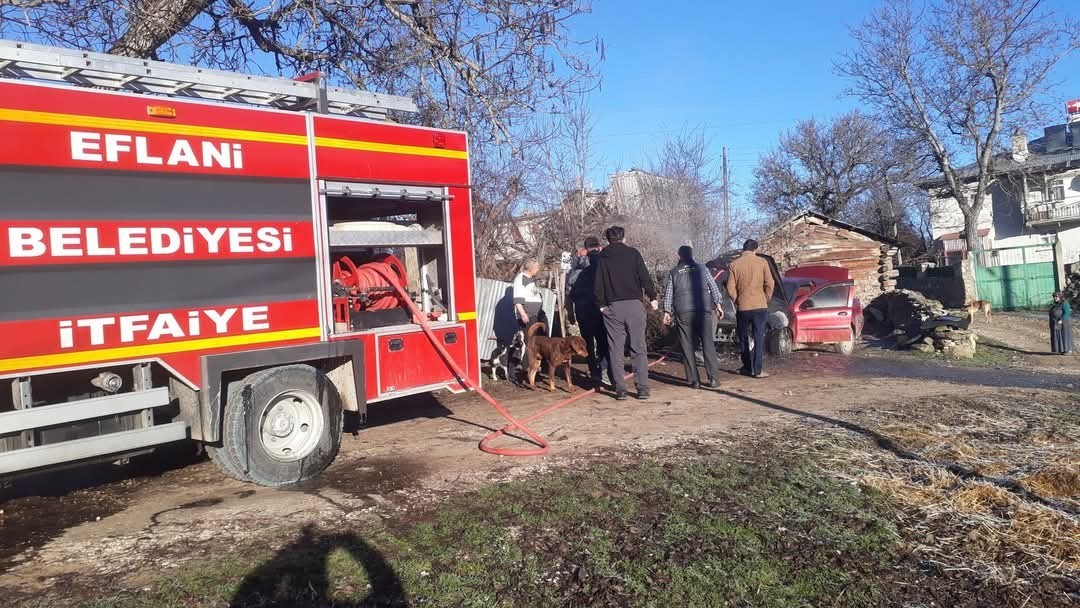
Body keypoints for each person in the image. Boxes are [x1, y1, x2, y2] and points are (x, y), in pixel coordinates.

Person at [594, 226, 657, 400]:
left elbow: (598, 284)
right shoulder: (633, 254)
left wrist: (601, 306)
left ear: (607, 240)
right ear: (624, 238)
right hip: (634, 305)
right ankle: (642, 388)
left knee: (615, 349)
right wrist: (652, 296)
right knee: (638, 347)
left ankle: (620, 389)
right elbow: (644, 276)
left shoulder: (602, 258)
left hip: (613, 307)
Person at [662, 245, 725, 389]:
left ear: (679, 256)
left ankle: (693, 380)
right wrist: (718, 304)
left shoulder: (674, 272)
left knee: (687, 345)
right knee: (708, 344)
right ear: (692, 255)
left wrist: (667, 311)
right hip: (703, 310)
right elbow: (713, 287)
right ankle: (714, 379)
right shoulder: (703, 268)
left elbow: (669, 293)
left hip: (683, 311)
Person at [726, 239, 774, 379]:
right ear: (755, 250)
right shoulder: (762, 262)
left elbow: (730, 287)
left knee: (743, 337)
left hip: (743, 307)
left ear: (743, 249)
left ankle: (747, 367)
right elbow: (770, 283)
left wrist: (737, 299)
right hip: (760, 306)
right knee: (759, 337)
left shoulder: (734, 264)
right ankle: (758, 370)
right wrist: (766, 298)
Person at [568, 237, 609, 385]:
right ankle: (604, 369)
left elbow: (570, 290)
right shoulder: (602, 263)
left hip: (581, 308)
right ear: (598, 247)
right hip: (598, 307)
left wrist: (570, 311)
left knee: (587, 342)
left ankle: (594, 371)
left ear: (585, 248)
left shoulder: (576, 266)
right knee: (603, 339)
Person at [510, 258, 547, 384]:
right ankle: (525, 370)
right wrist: (523, 314)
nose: (538, 269)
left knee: (536, 342)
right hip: (528, 315)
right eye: (536, 267)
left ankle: (532, 369)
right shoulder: (521, 279)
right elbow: (517, 299)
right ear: (530, 268)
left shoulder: (531, 280)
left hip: (535, 314)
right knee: (529, 342)